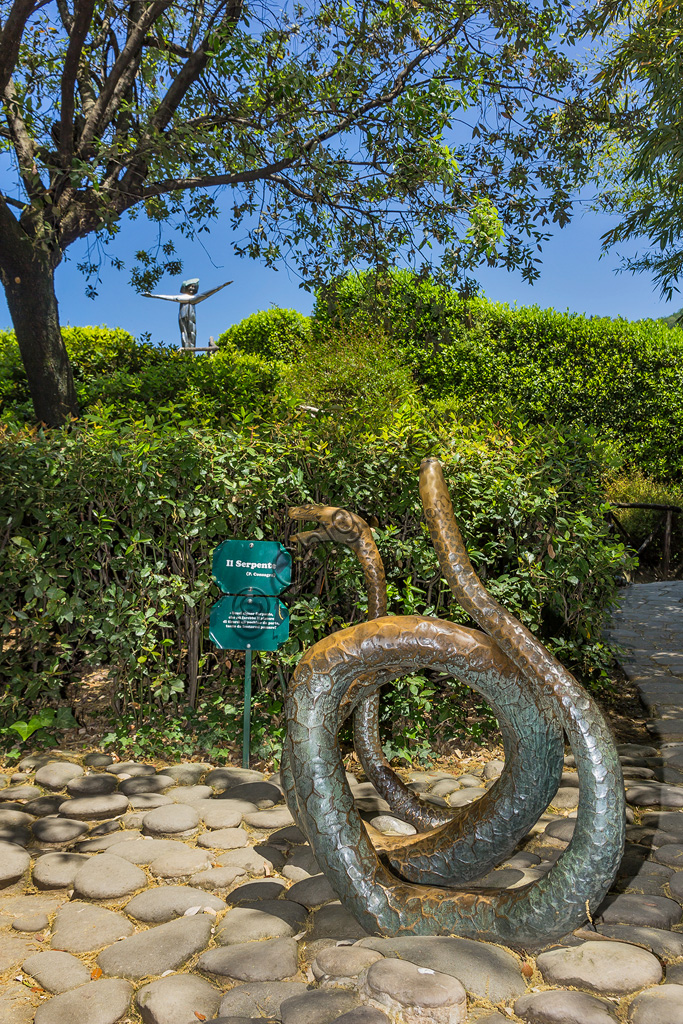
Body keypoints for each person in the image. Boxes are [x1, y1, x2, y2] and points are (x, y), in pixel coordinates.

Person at [143, 278, 232, 349]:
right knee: (184, 333)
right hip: (182, 316)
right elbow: (168, 297)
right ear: (185, 287)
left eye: (194, 287)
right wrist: (153, 296)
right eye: (190, 286)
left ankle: (191, 353)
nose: (192, 289)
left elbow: (206, 294)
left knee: (192, 334)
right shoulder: (182, 298)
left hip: (191, 318)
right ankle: (186, 352)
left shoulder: (194, 298)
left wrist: (222, 286)